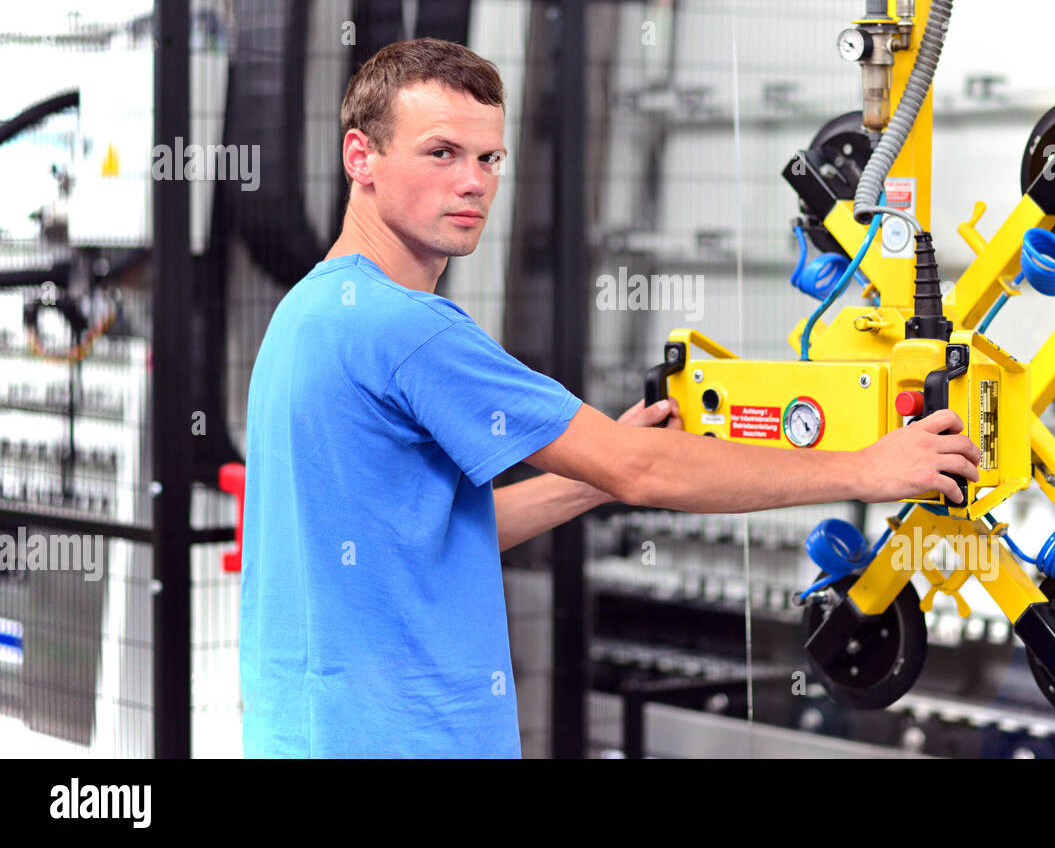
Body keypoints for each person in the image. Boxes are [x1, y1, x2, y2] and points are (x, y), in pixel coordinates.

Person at [240, 37, 980, 758]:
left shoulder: (309, 312)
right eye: (441, 152)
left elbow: (428, 534)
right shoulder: (411, 329)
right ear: (359, 157)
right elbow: (645, 471)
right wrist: (869, 468)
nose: (473, 182)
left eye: (489, 158)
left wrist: (589, 476)